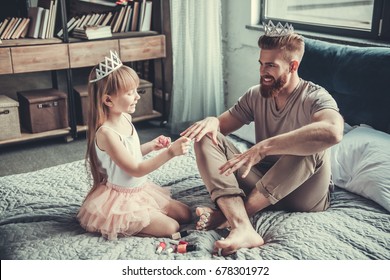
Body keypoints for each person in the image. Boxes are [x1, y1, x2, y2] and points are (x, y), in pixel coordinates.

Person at [181, 21, 344, 256]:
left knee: (315, 143)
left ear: (293, 66)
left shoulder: (316, 97)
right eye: (260, 64)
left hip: (304, 194)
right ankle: (241, 226)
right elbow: (221, 125)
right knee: (206, 136)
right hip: (260, 186)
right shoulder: (255, 95)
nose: (262, 72)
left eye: (270, 66)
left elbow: (333, 131)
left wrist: (263, 148)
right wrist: (211, 122)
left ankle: (231, 216)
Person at [77, 50, 192, 240]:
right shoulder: (106, 133)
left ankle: (149, 217)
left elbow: (128, 154)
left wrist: (151, 146)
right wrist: (170, 153)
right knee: (172, 227)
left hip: (142, 190)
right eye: (130, 93)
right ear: (108, 100)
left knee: (186, 214)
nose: (137, 97)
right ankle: (124, 225)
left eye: (136, 91)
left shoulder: (126, 118)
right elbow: (135, 169)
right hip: (122, 199)